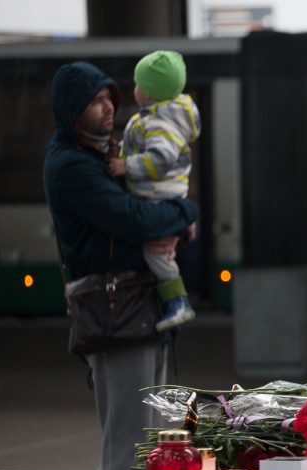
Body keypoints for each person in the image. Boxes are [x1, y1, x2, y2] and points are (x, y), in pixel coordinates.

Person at [43, 61, 198, 470]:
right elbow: (130, 219)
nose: (109, 106)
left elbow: (143, 215)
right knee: (126, 452)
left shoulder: (99, 153)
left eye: (111, 96)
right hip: (115, 312)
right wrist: (187, 214)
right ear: (73, 109)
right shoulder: (73, 164)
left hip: (137, 307)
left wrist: (171, 219)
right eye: (96, 100)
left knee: (149, 448)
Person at [107, 50, 200, 332]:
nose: (134, 90)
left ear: (146, 92)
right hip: (162, 196)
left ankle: (178, 301)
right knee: (160, 252)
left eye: (137, 84)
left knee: (156, 254)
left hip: (159, 196)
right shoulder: (159, 118)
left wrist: (127, 167)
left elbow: (161, 159)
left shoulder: (159, 122)